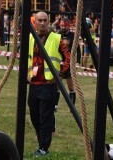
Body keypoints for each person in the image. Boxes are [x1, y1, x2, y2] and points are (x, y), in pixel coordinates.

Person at [27, 11, 71, 157]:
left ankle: (44, 148)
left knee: (45, 117)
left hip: (48, 85)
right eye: (39, 20)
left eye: (45, 20)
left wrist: (60, 75)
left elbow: (68, 58)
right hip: (34, 84)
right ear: (35, 22)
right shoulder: (31, 37)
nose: (42, 23)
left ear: (49, 21)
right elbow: (28, 58)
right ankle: (42, 141)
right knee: (34, 116)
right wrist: (28, 74)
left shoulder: (56, 38)